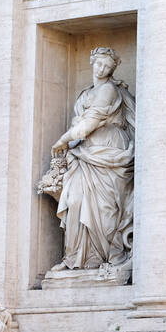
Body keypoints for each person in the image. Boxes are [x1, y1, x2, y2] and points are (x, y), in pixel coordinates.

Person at [47, 47, 135, 272]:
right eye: (99, 64)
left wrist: (62, 141)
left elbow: (88, 124)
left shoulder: (108, 90)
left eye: (107, 66)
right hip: (85, 153)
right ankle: (76, 258)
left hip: (107, 149)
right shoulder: (86, 93)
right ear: (92, 62)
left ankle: (103, 257)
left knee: (105, 209)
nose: (102, 69)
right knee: (75, 200)